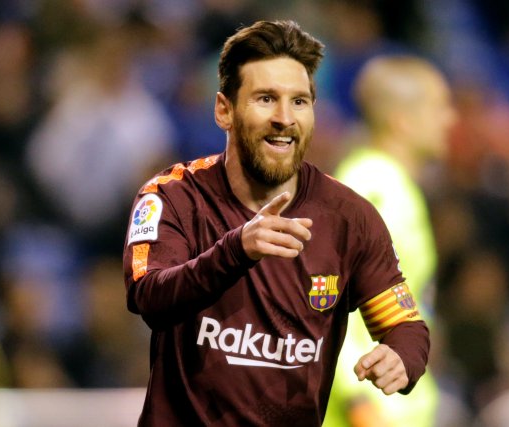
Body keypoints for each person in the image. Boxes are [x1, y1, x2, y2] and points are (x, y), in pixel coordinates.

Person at [122, 20, 430, 426]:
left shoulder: (349, 216)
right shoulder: (173, 196)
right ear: (224, 110)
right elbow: (149, 297)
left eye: (299, 102)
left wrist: (400, 358)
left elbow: (405, 325)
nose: (285, 118)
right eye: (266, 99)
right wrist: (236, 249)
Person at [326, 56, 457, 427]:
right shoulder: (372, 191)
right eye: (439, 107)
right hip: (370, 414)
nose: (450, 119)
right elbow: (331, 303)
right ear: (402, 120)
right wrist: (360, 406)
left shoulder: (392, 187)